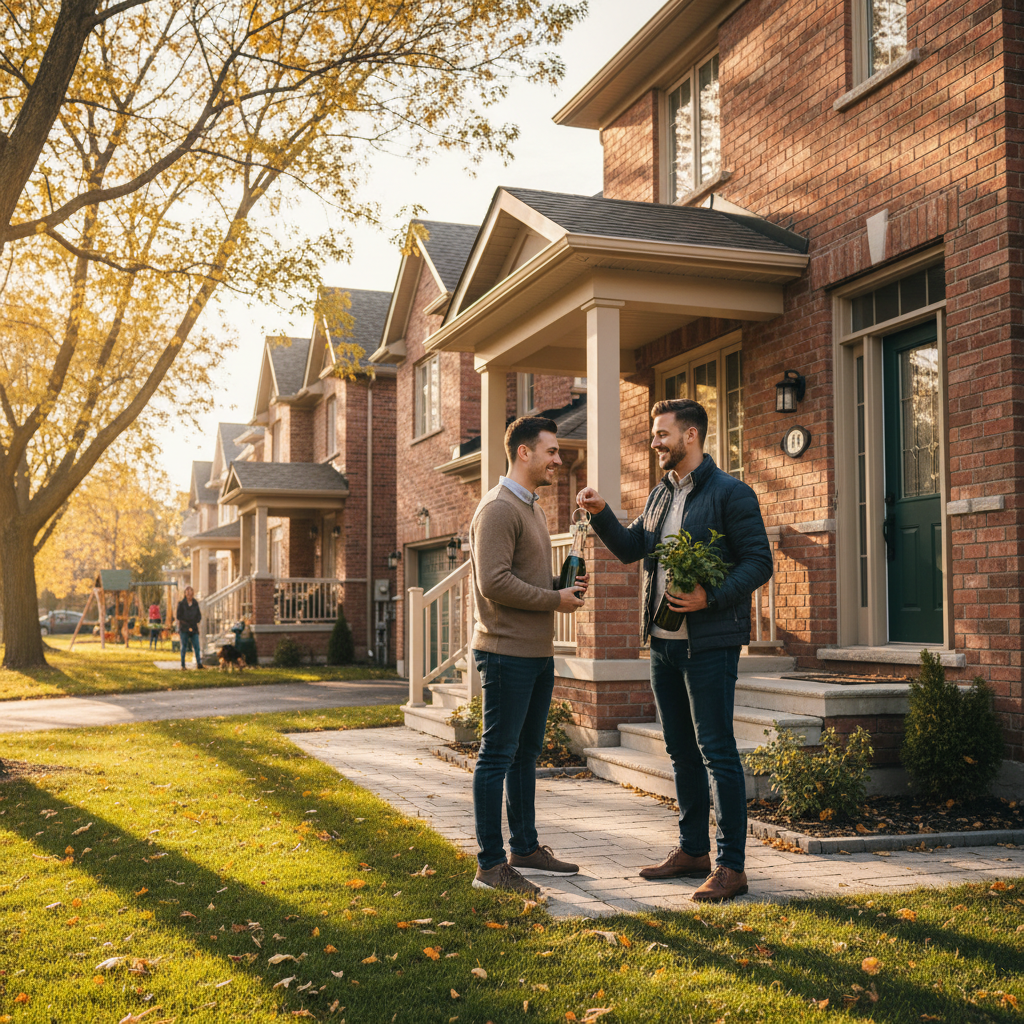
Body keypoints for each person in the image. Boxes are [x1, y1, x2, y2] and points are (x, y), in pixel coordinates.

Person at [577, 398, 772, 903]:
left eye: (662, 434)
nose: (654, 442)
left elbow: (758, 562)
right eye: (653, 434)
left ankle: (732, 866)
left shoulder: (732, 493)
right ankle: (693, 851)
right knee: (681, 751)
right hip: (664, 644)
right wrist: (602, 516)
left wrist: (712, 596)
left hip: (710, 644)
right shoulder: (661, 496)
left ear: (691, 436)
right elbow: (630, 549)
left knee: (717, 752)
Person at [469, 416, 589, 895]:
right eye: (552, 451)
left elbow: (526, 581)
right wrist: (554, 600)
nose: (559, 460)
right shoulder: (498, 509)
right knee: (496, 755)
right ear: (523, 452)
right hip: (504, 652)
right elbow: (493, 583)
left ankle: (524, 847)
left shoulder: (533, 509)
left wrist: (561, 588)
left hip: (536, 653)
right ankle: (491, 866)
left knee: (526, 754)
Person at [176, 586, 204, 669]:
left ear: (193, 593)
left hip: (194, 628)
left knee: (196, 646)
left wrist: (194, 623)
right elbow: (179, 616)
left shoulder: (195, 604)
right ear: (185, 594)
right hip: (184, 628)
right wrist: (187, 625)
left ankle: (199, 663)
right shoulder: (181, 604)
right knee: (184, 647)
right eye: (187, 592)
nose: (189, 594)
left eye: (190, 592)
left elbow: (199, 616)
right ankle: (183, 665)